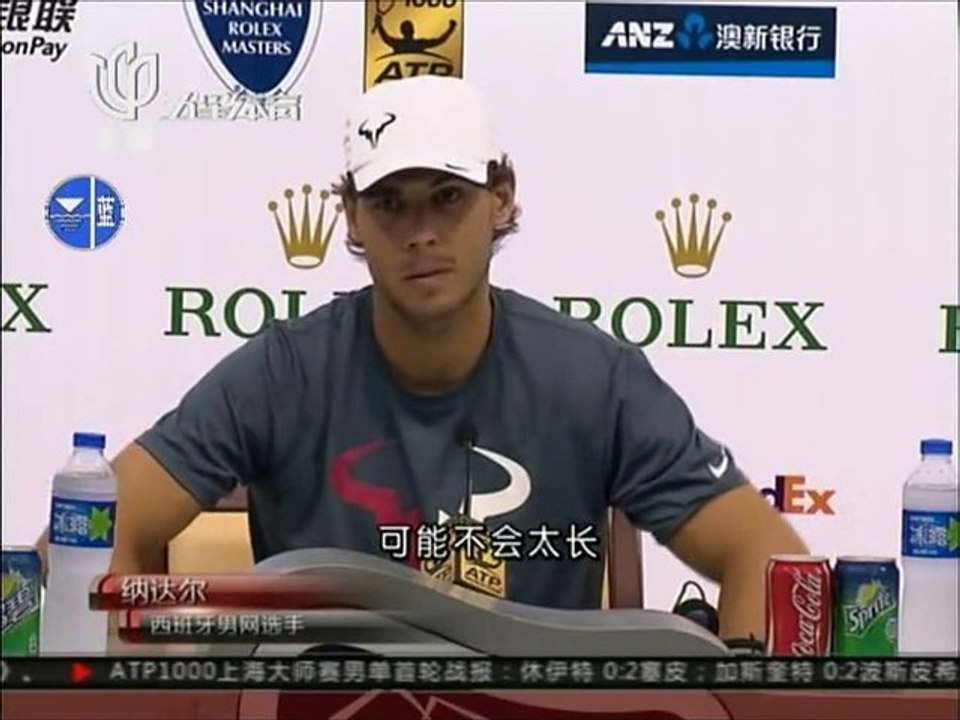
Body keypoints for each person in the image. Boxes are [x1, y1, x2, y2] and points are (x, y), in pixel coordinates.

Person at [34, 75, 806, 641]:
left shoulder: (594, 380)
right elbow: (82, 539)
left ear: (500, 198)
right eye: (389, 204)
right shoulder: (283, 372)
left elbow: (768, 558)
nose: (421, 232)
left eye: (447, 196)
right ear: (352, 218)